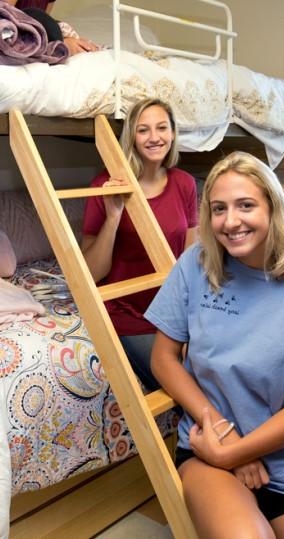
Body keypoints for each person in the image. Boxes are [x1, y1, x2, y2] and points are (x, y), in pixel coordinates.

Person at [146, 151, 284, 539]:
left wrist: (238, 452)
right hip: (209, 449)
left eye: (246, 205)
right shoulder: (196, 265)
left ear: (273, 208)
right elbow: (163, 359)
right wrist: (223, 437)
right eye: (218, 208)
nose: (231, 221)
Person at [81, 98, 197, 391]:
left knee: (219, 374)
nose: (155, 137)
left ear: (173, 133)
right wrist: (114, 216)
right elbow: (92, 273)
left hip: (173, 309)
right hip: (127, 313)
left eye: (162, 128)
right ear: (131, 136)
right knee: (186, 387)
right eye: (143, 130)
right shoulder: (104, 185)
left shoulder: (184, 183)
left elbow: (191, 256)